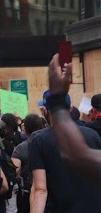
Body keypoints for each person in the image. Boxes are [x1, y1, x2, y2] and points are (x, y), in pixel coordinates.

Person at [29, 65, 101, 212]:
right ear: (71, 108)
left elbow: (40, 189)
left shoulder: (38, 141)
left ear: (46, 111)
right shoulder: (92, 134)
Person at [11, 113, 43, 213]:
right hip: (49, 191)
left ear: (25, 129)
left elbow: (14, 171)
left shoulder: (20, 148)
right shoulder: (49, 143)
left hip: (27, 194)